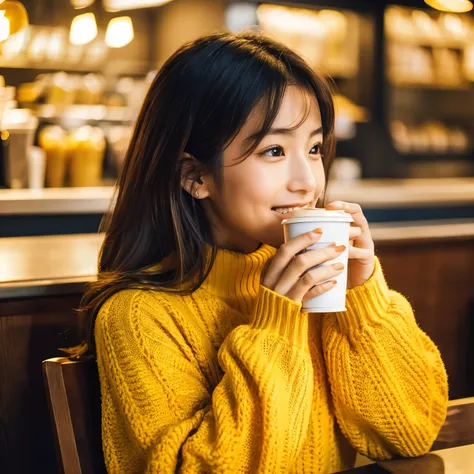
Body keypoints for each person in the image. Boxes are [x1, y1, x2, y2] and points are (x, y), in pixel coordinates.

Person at [77, 32, 448, 473]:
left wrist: (362, 296)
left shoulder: (322, 292)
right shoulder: (139, 316)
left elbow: (407, 436)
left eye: (313, 148)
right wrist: (276, 325)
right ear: (195, 176)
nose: (307, 181)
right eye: (274, 150)